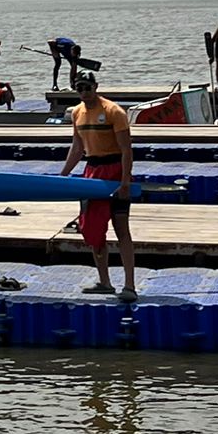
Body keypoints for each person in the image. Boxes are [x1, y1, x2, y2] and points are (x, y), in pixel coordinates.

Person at [58, 73, 136, 301]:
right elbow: (77, 148)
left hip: (115, 171)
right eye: (79, 88)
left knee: (121, 228)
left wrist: (125, 182)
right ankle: (104, 281)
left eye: (87, 87)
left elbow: (126, 150)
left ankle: (129, 286)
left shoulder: (114, 112)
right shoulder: (76, 113)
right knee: (92, 228)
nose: (84, 92)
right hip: (92, 173)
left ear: (96, 87)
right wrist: (63, 175)